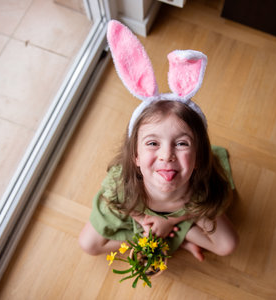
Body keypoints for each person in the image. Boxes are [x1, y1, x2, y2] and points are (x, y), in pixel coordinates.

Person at [78, 20, 238, 261]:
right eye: (153, 143)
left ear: (199, 157)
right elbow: (104, 226)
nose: (167, 155)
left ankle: (179, 234)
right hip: (138, 223)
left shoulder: (201, 186)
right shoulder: (122, 186)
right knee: (88, 244)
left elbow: (227, 242)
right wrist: (145, 232)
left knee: (227, 246)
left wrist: (173, 221)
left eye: (182, 143)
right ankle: (177, 238)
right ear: (136, 156)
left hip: (183, 215)